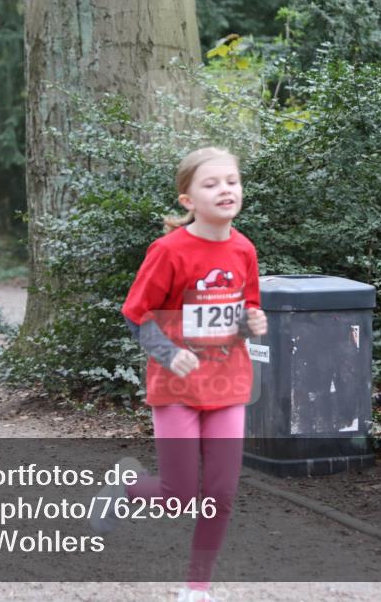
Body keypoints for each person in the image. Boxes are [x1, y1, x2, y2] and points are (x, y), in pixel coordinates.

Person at [90, 146, 268, 602]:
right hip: (175, 387)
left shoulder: (244, 248)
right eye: (211, 184)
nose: (225, 190)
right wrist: (168, 354)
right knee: (179, 496)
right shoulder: (169, 251)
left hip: (228, 386)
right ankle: (125, 488)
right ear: (188, 200)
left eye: (231, 181)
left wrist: (252, 321)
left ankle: (197, 587)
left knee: (221, 493)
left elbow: (243, 309)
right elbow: (136, 314)